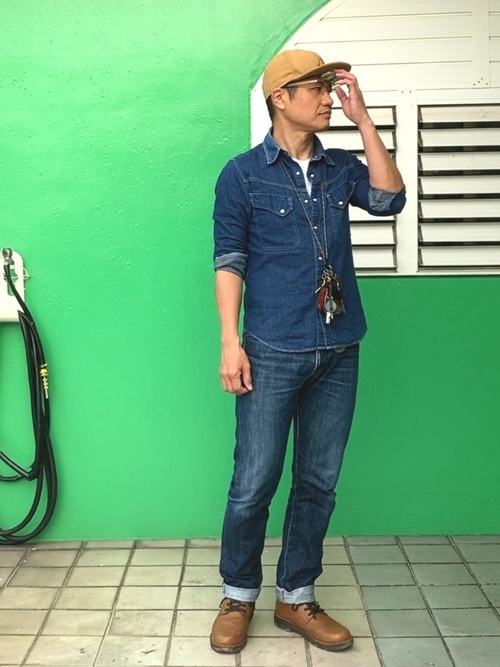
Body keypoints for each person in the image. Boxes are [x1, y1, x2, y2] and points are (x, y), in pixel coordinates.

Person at [210, 49, 405, 654]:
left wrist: (364, 119)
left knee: (318, 482)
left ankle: (295, 595)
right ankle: (238, 595)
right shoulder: (242, 175)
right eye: (317, 89)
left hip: (339, 347)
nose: (328, 99)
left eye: (330, 88)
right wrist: (230, 342)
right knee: (254, 482)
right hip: (271, 347)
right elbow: (229, 260)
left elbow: (389, 200)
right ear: (280, 97)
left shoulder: (340, 166)